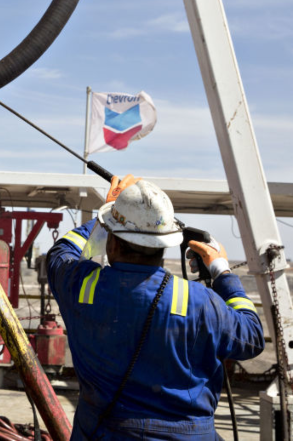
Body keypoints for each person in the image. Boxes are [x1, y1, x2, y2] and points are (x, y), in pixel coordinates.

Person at [47, 175, 264, 440]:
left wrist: (107, 214)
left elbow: (61, 253)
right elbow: (251, 337)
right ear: (165, 245)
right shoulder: (198, 301)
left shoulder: (82, 287)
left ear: (112, 242)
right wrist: (221, 271)